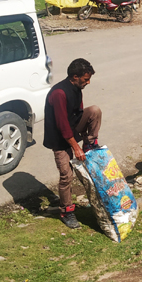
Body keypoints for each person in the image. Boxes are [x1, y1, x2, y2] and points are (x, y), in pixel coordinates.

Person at [43, 58, 103, 229]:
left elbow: (79, 113)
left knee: (94, 111)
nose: (88, 82)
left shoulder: (77, 88)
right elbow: (62, 126)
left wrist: (84, 140)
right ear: (75, 77)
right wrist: (76, 148)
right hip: (59, 139)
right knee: (66, 175)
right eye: (86, 79)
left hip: (72, 129)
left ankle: (90, 145)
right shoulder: (59, 93)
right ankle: (66, 211)